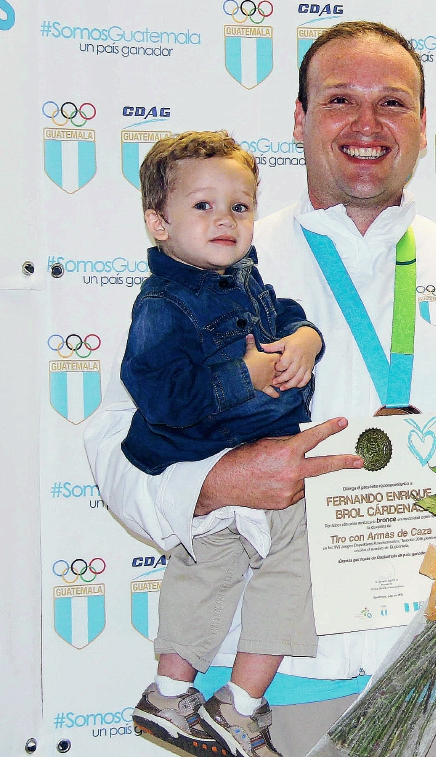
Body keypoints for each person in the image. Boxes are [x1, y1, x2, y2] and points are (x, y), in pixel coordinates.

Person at [85, 21, 436, 757]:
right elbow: (115, 445)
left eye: (393, 102)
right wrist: (221, 480)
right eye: (339, 100)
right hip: (271, 683)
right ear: (298, 120)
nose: (367, 124)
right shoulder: (210, 267)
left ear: (425, 127)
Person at [121, 131, 325, 757]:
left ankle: (169, 695)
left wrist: (305, 338)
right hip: (219, 463)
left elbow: (282, 311)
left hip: (227, 458)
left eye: (240, 206)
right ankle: (239, 705)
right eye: (203, 206)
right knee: (289, 574)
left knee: (205, 574)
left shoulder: (240, 278)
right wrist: (247, 376)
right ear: (159, 223)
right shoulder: (161, 303)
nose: (226, 220)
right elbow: (160, 396)